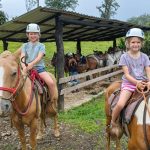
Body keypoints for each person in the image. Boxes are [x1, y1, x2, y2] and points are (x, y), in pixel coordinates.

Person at [111, 28, 150, 128]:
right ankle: (113, 121)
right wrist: (137, 83)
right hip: (129, 84)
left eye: (138, 42)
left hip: (144, 82)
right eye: (133, 42)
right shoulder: (124, 57)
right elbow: (127, 75)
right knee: (120, 104)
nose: (135, 44)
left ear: (141, 43)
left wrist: (149, 81)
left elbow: (148, 70)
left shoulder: (145, 56)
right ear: (128, 43)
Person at [19, 23, 55, 101]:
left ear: (38, 35)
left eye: (35, 34)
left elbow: (39, 57)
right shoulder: (24, 45)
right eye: (31, 34)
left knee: (51, 83)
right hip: (26, 68)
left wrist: (31, 64)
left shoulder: (41, 45)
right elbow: (22, 56)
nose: (33, 36)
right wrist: (24, 67)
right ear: (27, 35)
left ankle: (52, 101)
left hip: (39, 69)